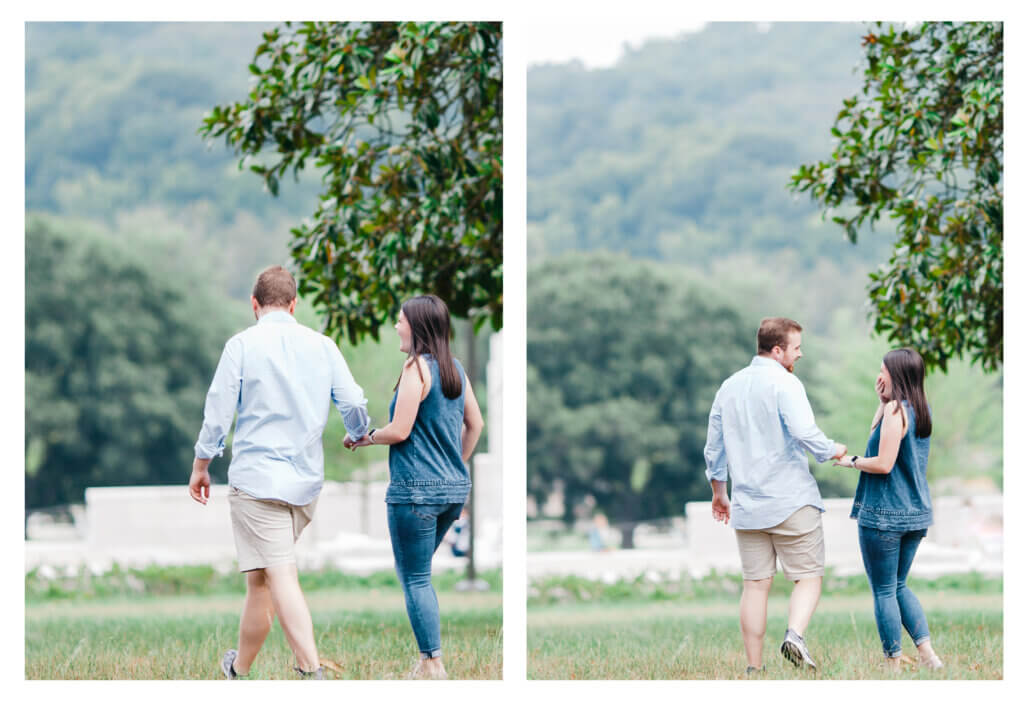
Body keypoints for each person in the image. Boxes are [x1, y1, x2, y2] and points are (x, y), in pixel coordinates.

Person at [189, 265, 370, 680]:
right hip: (304, 486)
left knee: (281, 575)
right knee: (261, 581)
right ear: (294, 304)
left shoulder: (242, 345)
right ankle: (238, 668)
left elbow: (218, 412)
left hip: (257, 484)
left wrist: (202, 465)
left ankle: (311, 671)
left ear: (254, 304)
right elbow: (353, 402)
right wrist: (358, 434)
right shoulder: (323, 345)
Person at [346, 294, 484, 679]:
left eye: (400, 320)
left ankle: (432, 665)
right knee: (418, 572)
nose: (396, 326)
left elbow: (400, 430)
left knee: (416, 577)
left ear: (417, 326)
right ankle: (427, 661)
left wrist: (364, 436)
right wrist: (455, 465)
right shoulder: (454, 368)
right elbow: (476, 424)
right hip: (453, 492)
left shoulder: (415, 369)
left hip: (414, 493)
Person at [703, 317, 846, 674]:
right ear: (778, 350)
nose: (801, 353)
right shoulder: (786, 383)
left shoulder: (729, 387)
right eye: (796, 348)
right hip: (791, 500)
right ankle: (795, 635)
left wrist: (719, 492)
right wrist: (832, 450)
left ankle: (754, 668)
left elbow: (713, 448)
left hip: (748, 505)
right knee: (809, 576)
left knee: (755, 585)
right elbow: (803, 431)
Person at [833, 348, 943, 671]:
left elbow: (882, 463)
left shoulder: (896, 411)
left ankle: (892, 664)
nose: (879, 376)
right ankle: (928, 656)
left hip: (884, 514)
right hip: (915, 512)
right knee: (898, 586)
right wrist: (882, 402)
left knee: (883, 590)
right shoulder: (920, 410)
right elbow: (881, 441)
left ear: (897, 375)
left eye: (883, 370)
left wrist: (850, 461)